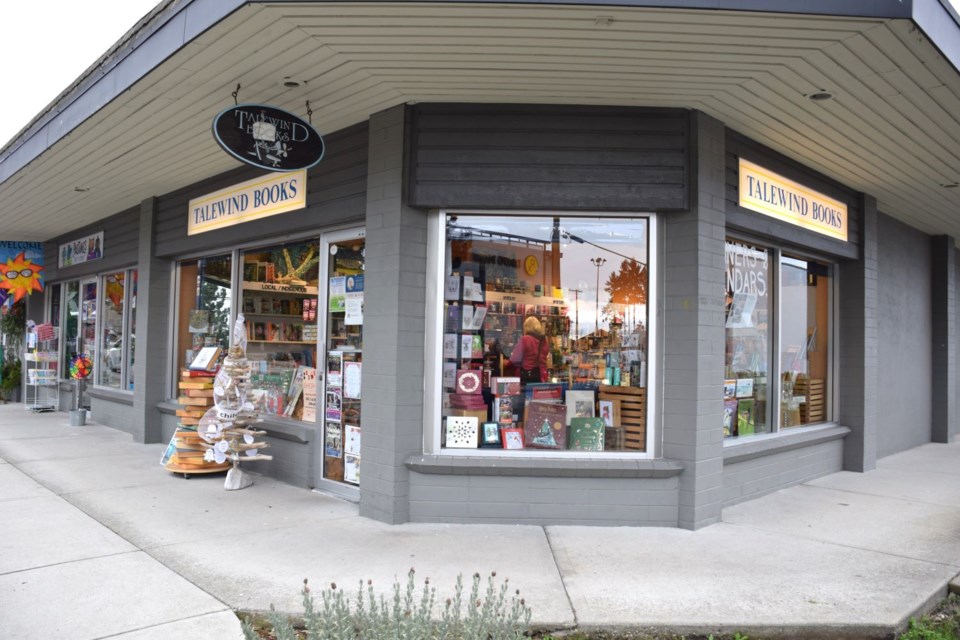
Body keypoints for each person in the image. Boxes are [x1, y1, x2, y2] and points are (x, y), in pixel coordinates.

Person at [509, 316, 548, 384]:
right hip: (541, 375)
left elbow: (514, 359)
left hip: (527, 375)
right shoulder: (544, 341)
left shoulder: (525, 339)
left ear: (526, 327)